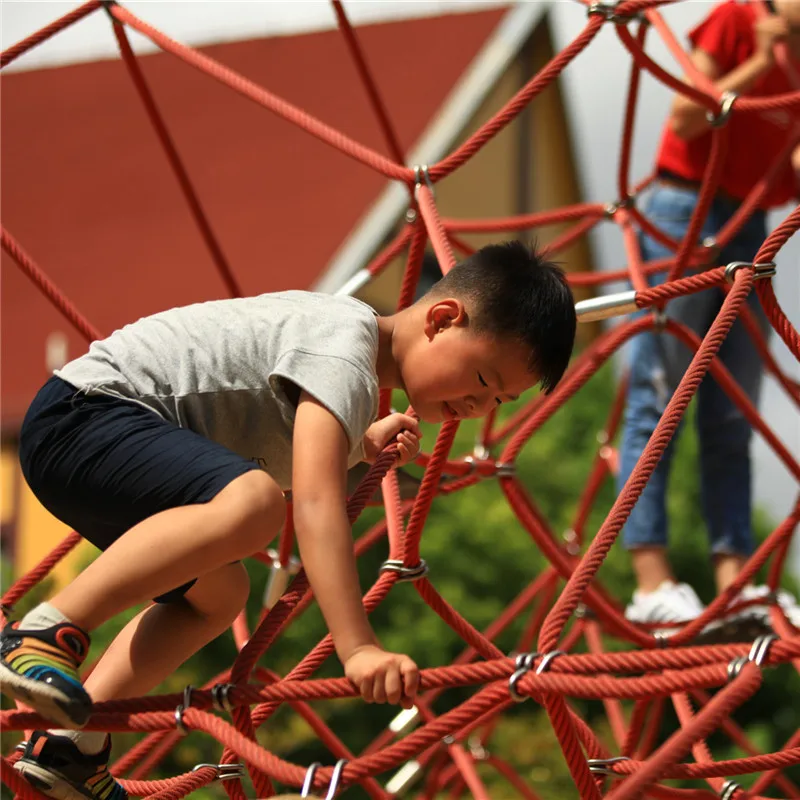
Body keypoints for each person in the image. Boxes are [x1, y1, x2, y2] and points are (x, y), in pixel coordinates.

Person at [0, 240, 576, 799]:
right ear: (442, 319)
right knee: (255, 505)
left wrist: (362, 444)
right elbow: (315, 501)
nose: (478, 407)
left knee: (219, 596)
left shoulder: (345, 377)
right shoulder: (343, 350)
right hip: (85, 414)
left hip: (94, 443)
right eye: (483, 380)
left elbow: (279, 435)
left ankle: (69, 746)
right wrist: (357, 648)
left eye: (499, 402)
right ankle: (44, 632)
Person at [619, 0, 800, 629]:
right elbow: (686, 114)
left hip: (750, 223)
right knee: (659, 393)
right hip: (685, 209)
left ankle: (735, 584)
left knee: (733, 411)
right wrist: (758, 61)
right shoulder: (735, 20)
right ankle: (650, 583)